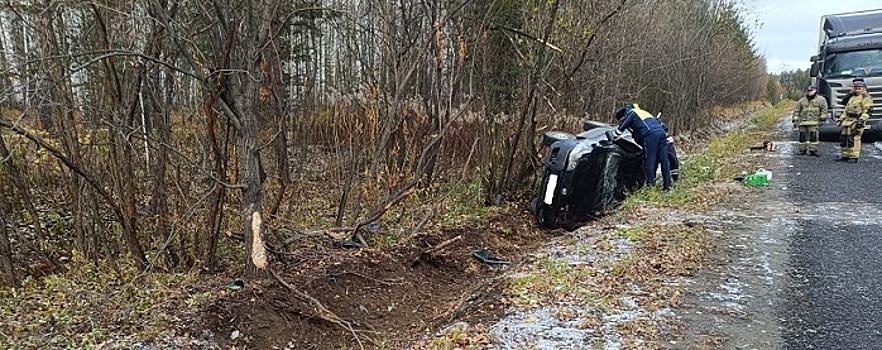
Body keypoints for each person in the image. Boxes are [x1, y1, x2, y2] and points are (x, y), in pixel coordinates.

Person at [614, 104, 672, 190]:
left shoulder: (631, 113)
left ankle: (650, 186)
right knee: (664, 160)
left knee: (650, 160)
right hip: (661, 133)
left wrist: (615, 136)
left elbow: (622, 127)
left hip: (650, 135)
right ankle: (667, 186)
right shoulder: (642, 112)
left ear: (623, 116)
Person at [837, 78, 873, 162]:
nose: (857, 90)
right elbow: (846, 110)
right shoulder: (852, 97)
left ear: (863, 89)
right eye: (855, 88)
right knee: (844, 138)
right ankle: (845, 155)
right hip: (847, 121)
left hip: (856, 121)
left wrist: (861, 120)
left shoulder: (866, 98)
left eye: (859, 88)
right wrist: (841, 119)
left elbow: (867, 110)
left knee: (854, 138)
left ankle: (854, 156)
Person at [792, 85, 828, 156]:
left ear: (815, 91)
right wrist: (795, 119)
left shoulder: (821, 100)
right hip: (803, 122)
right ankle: (802, 150)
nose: (809, 92)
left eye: (811, 91)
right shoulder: (802, 100)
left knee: (813, 137)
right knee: (802, 137)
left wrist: (823, 117)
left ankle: (813, 151)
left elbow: (824, 109)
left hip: (814, 122)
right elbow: (797, 111)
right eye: (808, 91)